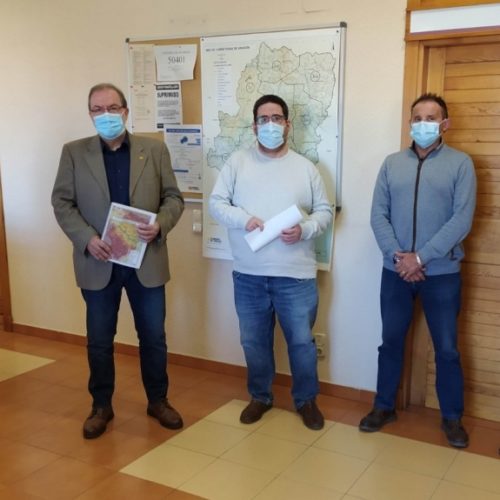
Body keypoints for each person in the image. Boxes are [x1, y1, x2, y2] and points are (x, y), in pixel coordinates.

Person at [52, 83, 185, 439]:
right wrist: (86, 238)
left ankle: (158, 400)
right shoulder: (74, 153)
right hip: (99, 261)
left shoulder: (154, 150)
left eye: (112, 107)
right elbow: (62, 203)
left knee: (153, 337)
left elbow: (173, 198)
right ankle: (101, 406)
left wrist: (160, 224)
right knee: (99, 339)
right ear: (90, 114)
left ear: (126, 111)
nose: (106, 115)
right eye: (97, 109)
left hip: (146, 261)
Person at [209, 94, 333, 430]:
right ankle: (260, 397)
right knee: (253, 342)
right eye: (263, 119)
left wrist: (305, 229)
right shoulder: (237, 163)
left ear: (287, 124)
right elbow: (217, 203)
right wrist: (244, 219)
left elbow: (324, 211)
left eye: (276, 118)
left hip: (296, 276)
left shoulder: (305, 168)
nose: (270, 125)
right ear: (254, 126)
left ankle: (306, 400)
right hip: (248, 274)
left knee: (302, 343)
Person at [359, 93, 476, 448]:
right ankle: (383, 406)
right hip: (395, 272)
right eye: (418, 117)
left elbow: (461, 220)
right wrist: (400, 259)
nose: (423, 123)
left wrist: (421, 258)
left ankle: (452, 417)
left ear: (445, 124)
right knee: (390, 342)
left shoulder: (461, 164)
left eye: (431, 117)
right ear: (410, 123)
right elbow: (378, 214)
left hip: (441, 274)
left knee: (447, 348)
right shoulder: (391, 164)